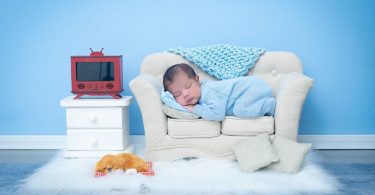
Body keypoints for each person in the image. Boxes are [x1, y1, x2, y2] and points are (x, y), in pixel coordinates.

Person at [162, 63, 276, 121]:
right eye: (178, 94)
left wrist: (194, 109)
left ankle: (269, 105)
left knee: (240, 110)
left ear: (197, 80)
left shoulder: (208, 91)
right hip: (251, 90)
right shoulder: (199, 95)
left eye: (188, 86)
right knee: (239, 108)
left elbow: (218, 115)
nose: (185, 94)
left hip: (252, 88)